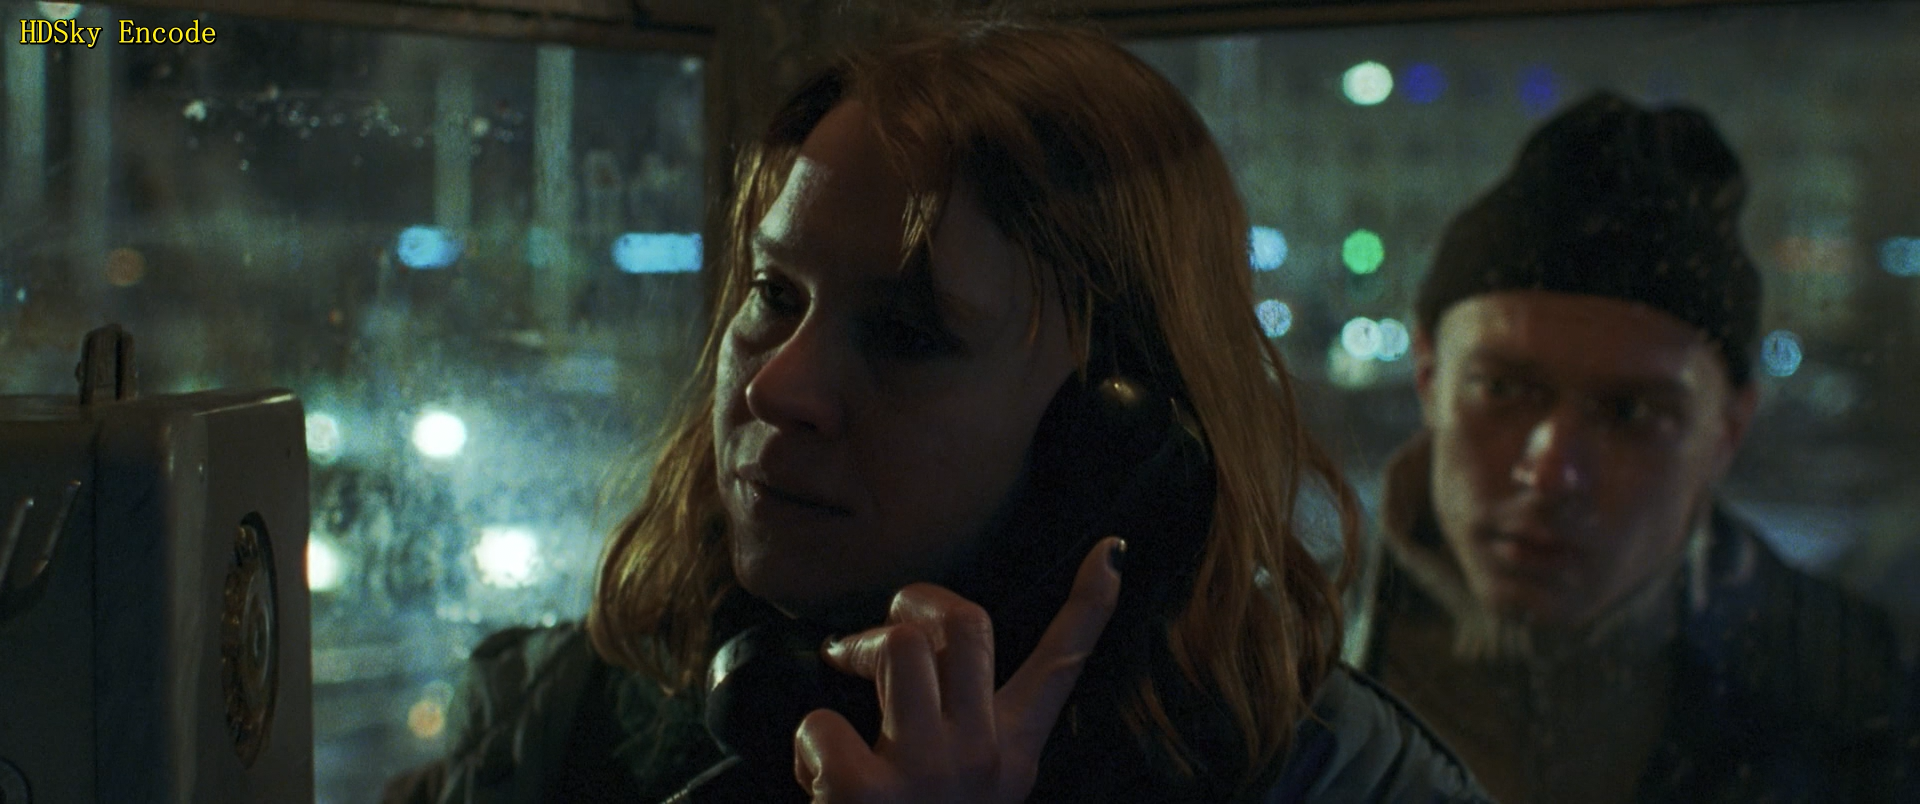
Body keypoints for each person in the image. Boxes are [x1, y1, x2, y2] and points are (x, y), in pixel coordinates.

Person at [384, 18, 1491, 804]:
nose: (774, 387)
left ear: (1117, 437)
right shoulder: (560, 726)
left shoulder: (1334, 779)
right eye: (773, 296)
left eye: (907, 335)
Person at [1343, 91, 1918, 803]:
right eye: (1503, 389)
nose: (1551, 472)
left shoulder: (1861, 701)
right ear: (1428, 378)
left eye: (1631, 412)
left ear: (1727, 432)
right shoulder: (1273, 665)